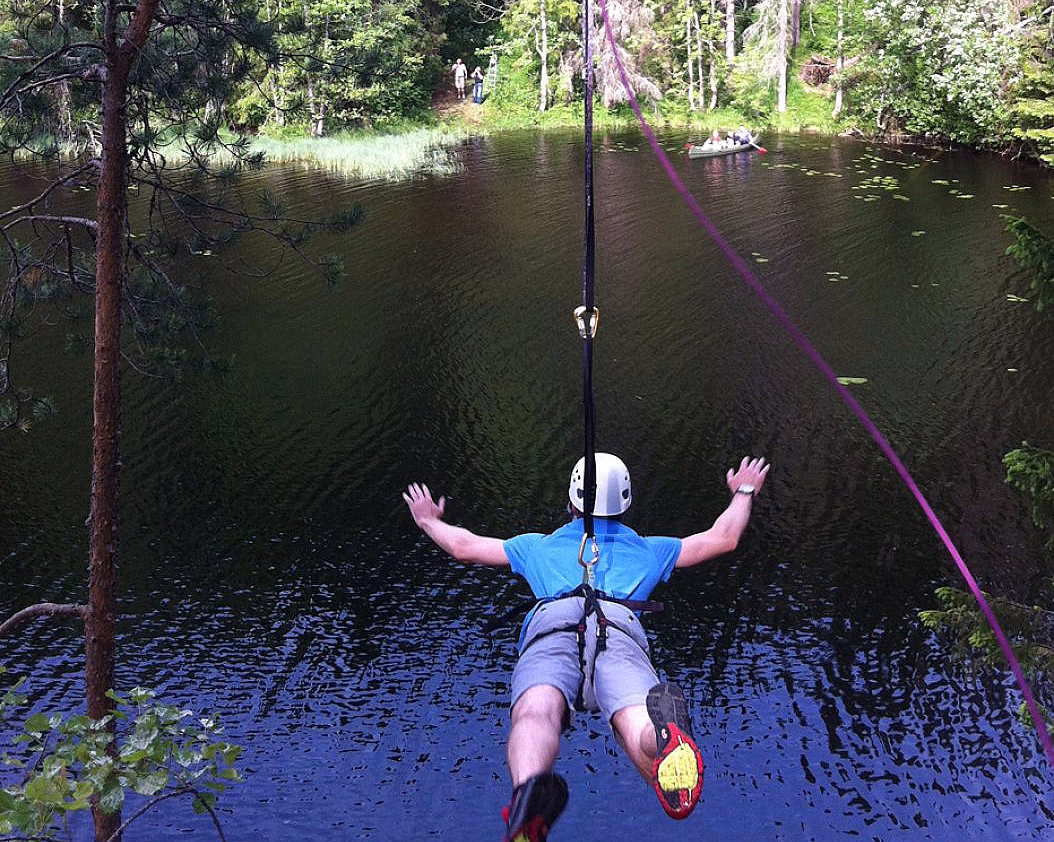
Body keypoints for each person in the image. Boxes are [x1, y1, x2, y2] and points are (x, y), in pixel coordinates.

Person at [403, 452, 770, 841]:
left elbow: (465, 546)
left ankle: (528, 798)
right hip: (619, 627)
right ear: (625, 501)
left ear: (573, 499)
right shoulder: (650, 550)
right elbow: (723, 539)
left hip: (554, 622)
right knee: (635, 718)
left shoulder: (538, 547)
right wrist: (744, 492)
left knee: (536, 711)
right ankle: (662, 737)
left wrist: (428, 520)